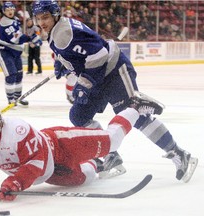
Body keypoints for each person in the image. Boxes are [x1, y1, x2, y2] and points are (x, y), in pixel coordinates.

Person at [32, 0, 198, 182]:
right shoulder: (59, 29)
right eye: (38, 18)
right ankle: (111, 155)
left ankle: (179, 154)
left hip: (114, 72)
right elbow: (79, 50)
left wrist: (84, 83)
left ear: (55, 15)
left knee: (135, 116)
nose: (42, 22)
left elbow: (99, 55)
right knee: (79, 116)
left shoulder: (63, 32)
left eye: (45, 17)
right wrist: (63, 63)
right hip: (98, 77)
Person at [0, 97, 161, 201]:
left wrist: (15, 182)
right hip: (49, 173)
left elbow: (36, 162)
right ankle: (103, 163)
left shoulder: (18, 131)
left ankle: (135, 108)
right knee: (87, 177)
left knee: (111, 142)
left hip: (60, 144)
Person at [0, 2, 42, 107]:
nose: (10, 12)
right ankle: (11, 100)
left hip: (14, 52)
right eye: (7, 10)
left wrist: (30, 38)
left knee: (19, 75)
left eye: (11, 9)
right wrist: (30, 38)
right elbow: (14, 39)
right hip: (4, 51)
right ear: (4, 12)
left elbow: (18, 34)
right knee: (11, 74)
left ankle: (18, 97)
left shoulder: (14, 19)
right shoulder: (5, 23)